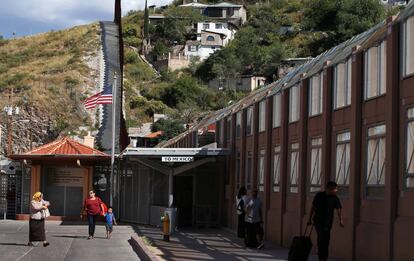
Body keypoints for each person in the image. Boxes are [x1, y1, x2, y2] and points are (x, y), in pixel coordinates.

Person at [307, 181, 344, 261]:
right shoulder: (319, 196)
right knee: (321, 238)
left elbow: (339, 209)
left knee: (326, 240)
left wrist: (340, 220)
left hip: (328, 223)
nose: (336, 191)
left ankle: (324, 257)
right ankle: (321, 257)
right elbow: (313, 208)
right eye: (335, 189)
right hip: (318, 222)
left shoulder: (334, 198)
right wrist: (309, 219)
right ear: (330, 189)